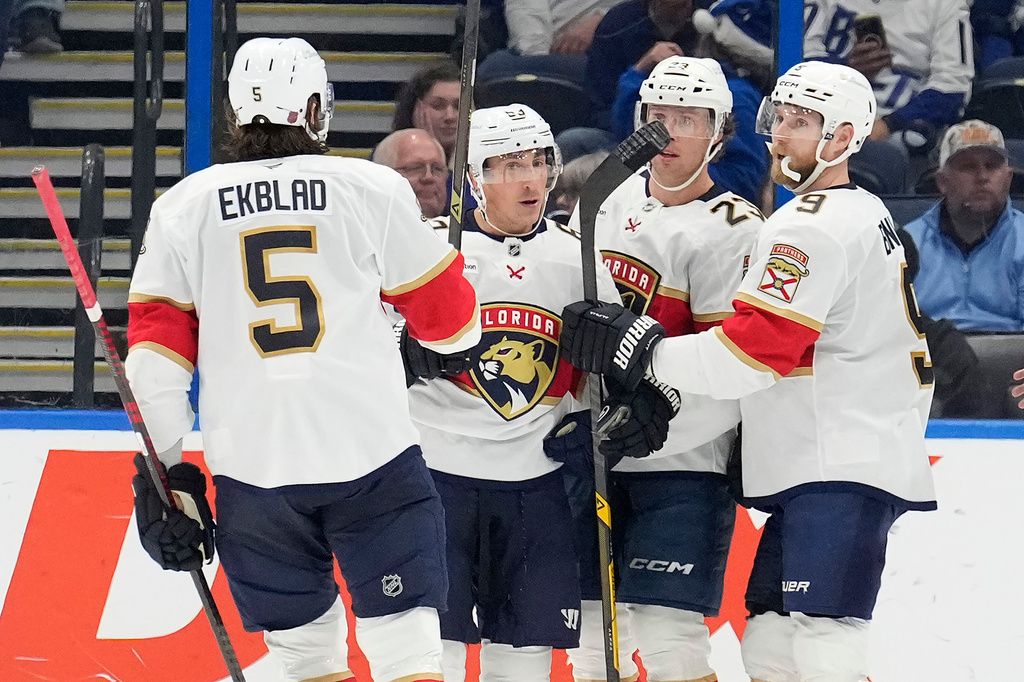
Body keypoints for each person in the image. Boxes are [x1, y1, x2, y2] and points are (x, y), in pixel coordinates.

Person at [557, 61, 937, 682]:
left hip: (836, 456)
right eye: (780, 117)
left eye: (802, 122)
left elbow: (752, 354)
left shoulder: (808, 226)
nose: (782, 133)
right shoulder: (855, 210)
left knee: (821, 642)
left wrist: (642, 347)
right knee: (770, 642)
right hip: (828, 456)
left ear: (842, 138)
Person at [125, 37, 481, 682]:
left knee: (305, 661)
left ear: (236, 113)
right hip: (370, 453)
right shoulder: (371, 188)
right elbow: (452, 327)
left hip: (252, 468)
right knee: (409, 652)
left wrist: (170, 472)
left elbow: (154, 359)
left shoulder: (181, 207)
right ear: (317, 108)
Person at [400, 103, 619, 682]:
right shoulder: (426, 250)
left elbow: (613, 372)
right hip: (435, 475)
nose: (527, 179)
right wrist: (398, 350)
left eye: (539, 162)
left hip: (535, 482)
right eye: (505, 165)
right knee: (431, 653)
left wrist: (609, 413)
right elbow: (364, 346)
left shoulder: (580, 257)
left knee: (524, 660)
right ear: (473, 179)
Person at [564, 56, 761, 682]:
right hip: (596, 452)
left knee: (669, 639)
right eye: (657, 116)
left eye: (689, 119)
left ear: (720, 131)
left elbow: (733, 368)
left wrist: (658, 427)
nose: (670, 132)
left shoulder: (735, 230)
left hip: (684, 464)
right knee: (592, 638)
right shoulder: (606, 198)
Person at [804, 0, 973, 153]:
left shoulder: (945, 4)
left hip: (897, 129)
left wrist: (887, 125)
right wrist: (847, 71)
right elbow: (794, 62)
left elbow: (953, 89)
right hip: (821, 112)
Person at [903, 120, 1024, 332]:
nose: (982, 177)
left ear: (1008, 178)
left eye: (992, 166)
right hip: (932, 356)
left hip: (1013, 356)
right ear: (942, 181)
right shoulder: (908, 242)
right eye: (968, 167)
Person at [392, 61, 462, 163]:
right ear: (416, 109)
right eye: (438, 105)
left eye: (459, 106)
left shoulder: (491, 162)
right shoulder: (387, 155)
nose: (449, 116)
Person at [374, 128, 450, 219]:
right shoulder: (364, 230)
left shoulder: (465, 230)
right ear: (382, 176)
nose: (428, 177)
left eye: (437, 169)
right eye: (415, 168)